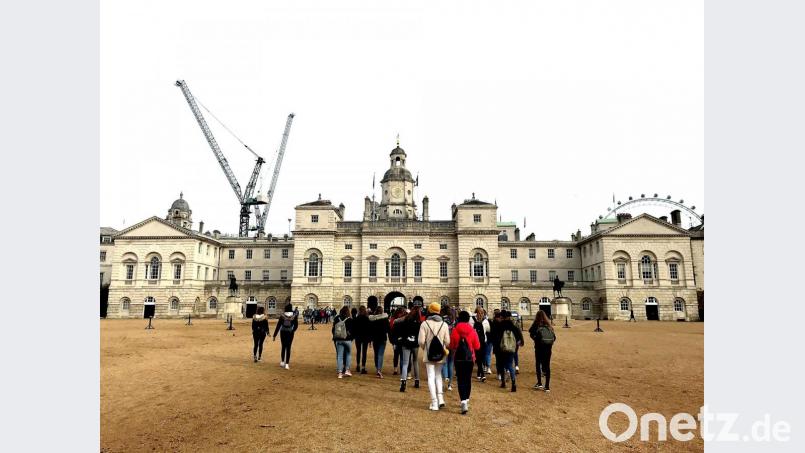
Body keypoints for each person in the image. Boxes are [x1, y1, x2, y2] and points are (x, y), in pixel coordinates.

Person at [418, 302, 451, 411]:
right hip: (440, 353)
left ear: (430, 311)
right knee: (438, 375)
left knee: (431, 376)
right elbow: (447, 342)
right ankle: (441, 398)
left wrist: (425, 349)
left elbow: (421, 341)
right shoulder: (444, 324)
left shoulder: (425, 324)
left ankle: (434, 402)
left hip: (429, 353)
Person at [450, 310, 481, 414]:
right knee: (467, 379)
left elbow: (452, 345)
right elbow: (477, 346)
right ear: (468, 319)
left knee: (460, 379)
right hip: (469, 358)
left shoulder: (455, 330)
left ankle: (463, 400)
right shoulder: (472, 330)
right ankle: (466, 399)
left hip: (458, 358)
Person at [491, 310, 523, 392]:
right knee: (510, 365)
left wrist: (495, 348)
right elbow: (519, 337)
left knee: (501, 365)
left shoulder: (499, 326)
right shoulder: (513, 326)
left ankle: (503, 382)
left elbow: (494, 338)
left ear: (501, 317)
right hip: (511, 349)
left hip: (501, 349)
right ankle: (513, 383)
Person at [393, 306, 422, 391]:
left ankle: (403, 382)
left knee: (405, 363)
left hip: (406, 342)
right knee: (415, 361)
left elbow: (396, 322)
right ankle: (417, 381)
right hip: (415, 343)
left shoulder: (405, 319)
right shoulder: (419, 322)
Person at [528, 310, 556, 393]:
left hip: (539, 348)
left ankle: (539, 382)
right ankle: (547, 386)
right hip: (548, 348)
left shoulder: (536, 324)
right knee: (547, 366)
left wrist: (535, 338)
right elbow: (554, 338)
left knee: (538, 364)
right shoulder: (549, 325)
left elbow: (530, 332)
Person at [273, 304, 298, 369]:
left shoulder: (282, 316)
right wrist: (293, 330)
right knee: (288, 348)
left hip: (283, 332)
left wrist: (274, 335)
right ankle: (287, 364)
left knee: (283, 347)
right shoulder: (294, 316)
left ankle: (282, 361)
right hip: (290, 332)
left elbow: (278, 326)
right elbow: (296, 325)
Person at [332, 306, 354, 378]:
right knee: (348, 355)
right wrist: (351, 338)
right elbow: (353, 331)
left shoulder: (336, 318)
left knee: (340, 356)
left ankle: (340, 373)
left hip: (339, 339)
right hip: (347, 340)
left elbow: (333, 330)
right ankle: (347, 370)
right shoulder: (350, 319)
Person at [470, 307, 491, 382]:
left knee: (481, 358)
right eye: (479, 312)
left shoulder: (485, 321)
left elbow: (488, 330)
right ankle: (482, 374)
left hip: (483, 342)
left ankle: (479, 373)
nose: (481, 314)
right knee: (478, 358)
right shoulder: (471, 320)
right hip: (474, 342)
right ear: (476, 312)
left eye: (482, 313)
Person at [368, 306, 390, 378]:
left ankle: (377, 368)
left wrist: (370, 340)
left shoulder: (372, 319)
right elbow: (388, 329)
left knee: (376, 354)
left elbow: (370, 330)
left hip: (375, 338)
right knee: (380, 355)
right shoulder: (385, 319)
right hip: (383, 338)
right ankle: (379, 370)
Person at [352, 306, 371, 374]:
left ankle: (358, 365)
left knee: (358, 351)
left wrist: (353, 336)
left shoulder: (356, 318)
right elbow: (369, 329)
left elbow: (354, 329)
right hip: (365, 337)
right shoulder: (367, 318)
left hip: (358, 337)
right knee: (364, 352)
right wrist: (370, 340)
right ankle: (363, 367)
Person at [440, 305, 455, 391]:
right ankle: (449, 385)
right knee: (451, 363)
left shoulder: (442, 319)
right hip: (452, 342)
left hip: (444, 342)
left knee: (444, 362)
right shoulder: (453, 319)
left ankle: (445, 377)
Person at [389, 307, 406, 375]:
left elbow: (391, 331)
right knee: (400, 355)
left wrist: (392, 341)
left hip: (396, 340)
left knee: (397, 355)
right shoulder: (405, 320)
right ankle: (400, 370)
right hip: (400, 340)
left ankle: (396, 369)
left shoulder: (393, 320)